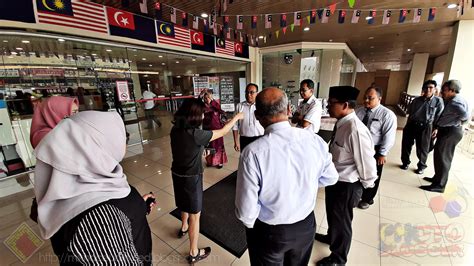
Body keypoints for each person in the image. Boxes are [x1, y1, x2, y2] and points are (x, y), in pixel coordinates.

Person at [34, 111, 155, 265]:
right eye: (120, 136)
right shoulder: (101, 219)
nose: (124, 141)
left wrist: (137, 206)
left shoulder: (76, 186)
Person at [235, 88, 339, 265]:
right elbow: (331, 178)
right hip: (305, 226)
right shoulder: (314, 141)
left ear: (258, 116)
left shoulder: (252, 153)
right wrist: (305, 184)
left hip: (270, 232)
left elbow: (246, 213)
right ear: (290, 110)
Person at [170, 98, 243, 264]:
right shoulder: (197, 134)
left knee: (183, 204)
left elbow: (185, 148)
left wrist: (199, 151)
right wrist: (237, 118)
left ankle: (183, 227)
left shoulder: (176, 129)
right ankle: (194, 252)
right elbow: (223, 131)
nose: (204, 116)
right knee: (195, 215)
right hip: (191, 178)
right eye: (202, 113)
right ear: (195, 115)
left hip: (177, 174)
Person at [315, 86, 377, 266]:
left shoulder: (355, 129)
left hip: (347, 185)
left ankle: (338, 258)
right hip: (335, 180)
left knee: (342, 221)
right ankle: (331, 237)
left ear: (345, 105)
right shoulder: (341, 123)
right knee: (333, 215)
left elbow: (367, 164)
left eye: (332, 103)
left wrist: (363, 188)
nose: (328, 107)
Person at [421, 80, 470, 193]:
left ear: (452, 90)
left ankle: (440, 185)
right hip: (447, 130)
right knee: (439, 156)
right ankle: (437, 179)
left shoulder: (455, 102)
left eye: (445, 90)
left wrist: (458, 123)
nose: (442, 92)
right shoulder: (453, 100)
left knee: (443, 158)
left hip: (451, 132)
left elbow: (466, 117)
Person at [355, 87, 397, 209]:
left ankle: (368, 199)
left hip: (375, 149)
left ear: (379, 98)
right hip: (359, 146)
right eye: (365, 97)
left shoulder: (387, 115)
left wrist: (383, 153)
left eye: (370, 98)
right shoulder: (359, 111)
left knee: (373, 174)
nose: (366, 100)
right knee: (358, 171)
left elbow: (388, 136)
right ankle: (357, 195)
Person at [400, 80, 444, 174]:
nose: (428, 90)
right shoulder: (416, 100)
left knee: (423, 148)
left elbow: (439, 116)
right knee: (406, 144)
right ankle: (405, 162)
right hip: (412, 124)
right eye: (426, 87)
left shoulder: (438, 102)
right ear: (423, 89)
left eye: (431, 88)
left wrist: (436, 128)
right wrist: (406, 126)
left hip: (426, 126)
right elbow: (410, 113)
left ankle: (421, 166)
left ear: (435, 89)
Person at [232, 83, 264, 152]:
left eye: (251, 92)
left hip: (259, 138)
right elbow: (235, 125)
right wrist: (236, 142)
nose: (248, 94)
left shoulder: (261, 106)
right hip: (244, 139)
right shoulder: (239, 106)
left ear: (257, 94)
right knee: (245, 160)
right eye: (247, 92)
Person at [202, 89, 227, 168]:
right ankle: (210, 161)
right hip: (207, 129)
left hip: (217, 129)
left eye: (209, 97)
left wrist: (212, 101)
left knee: (219, 146)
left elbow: (221, 111)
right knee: (209, 146)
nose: (207, 99)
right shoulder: (202, 106)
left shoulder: (215, 105)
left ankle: (220, 162)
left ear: (212, 97)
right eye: (205, 98)